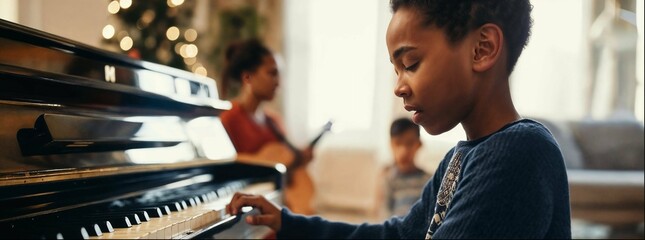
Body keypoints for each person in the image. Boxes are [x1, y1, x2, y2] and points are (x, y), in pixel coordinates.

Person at [226, 0, 572, 238]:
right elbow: (400, 235)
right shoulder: (460, 157)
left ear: (482, 49)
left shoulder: (520, 151)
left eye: (410, 64)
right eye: (395, 70)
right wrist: (289, 225)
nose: (398, 88)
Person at [219, 38, 316, 215]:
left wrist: (300, 158)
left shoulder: (275, 120)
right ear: (247, 77)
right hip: (244, 211)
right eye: (272, 74)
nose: (279, 82)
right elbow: (223, 167)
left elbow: (285, 160)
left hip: (280, 206)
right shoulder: (228, 119)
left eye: (280, 75)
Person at [379, 117, 432, 217]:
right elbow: (385, 212)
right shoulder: (388, 178)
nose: (404, 150)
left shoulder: (428, 180)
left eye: (410, 143)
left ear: (419, 145)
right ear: (391, 145)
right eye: (398, 143)